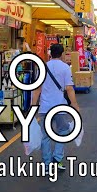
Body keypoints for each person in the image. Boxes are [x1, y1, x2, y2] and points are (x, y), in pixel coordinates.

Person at [35, 43, 80, 171]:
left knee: (45, 136)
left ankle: (47, 164)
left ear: (50, 53)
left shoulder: (42, 67)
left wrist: (33, 106)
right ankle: (57, 158)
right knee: (63, 132)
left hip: (44, 108)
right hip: (60, 107)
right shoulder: (65, 68)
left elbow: (37, 89)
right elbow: (69, 88)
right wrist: (74, 104)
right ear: (62, 54)